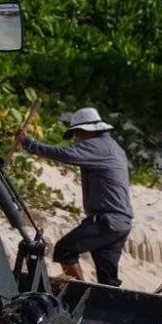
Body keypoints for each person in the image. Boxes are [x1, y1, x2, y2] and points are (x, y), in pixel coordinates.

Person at [15, 107, 133, 287]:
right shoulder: (113, 147)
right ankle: (105, 309)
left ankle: (79, 294)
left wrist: (29, 144)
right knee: (107, 279)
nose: (77, 139)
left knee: (64, 250)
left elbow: (65, 154)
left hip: (107, 220)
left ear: (86, 131)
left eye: (77, 134)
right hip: (121, 222)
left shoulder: (97, 146)